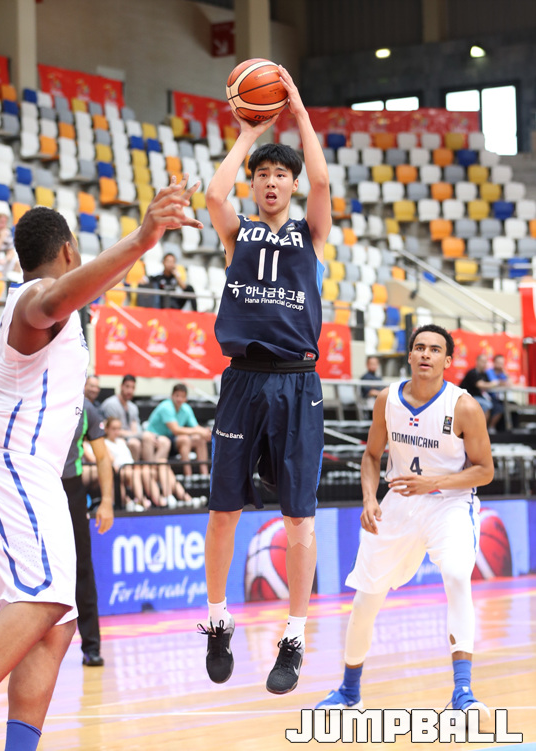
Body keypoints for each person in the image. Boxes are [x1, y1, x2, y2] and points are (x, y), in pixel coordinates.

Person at [0, 178, 202, 751]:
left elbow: (89, 287)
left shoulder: (53, 303)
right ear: (67, 250)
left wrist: (142, 244)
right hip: (16, 468)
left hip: (34, 475)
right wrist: (142, 237)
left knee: (57, 624)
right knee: (43, 600)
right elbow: (56, 299)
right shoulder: (34, 299)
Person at [199, 65, 331, 696]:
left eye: (282, 174)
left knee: (299, 519)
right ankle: (218, 620)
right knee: (223, 511)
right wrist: (249, 133)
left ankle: (294, 637)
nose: (272, 181)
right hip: (243, 380)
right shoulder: (239, 232)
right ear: (254, 184)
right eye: (263, 174)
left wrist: (298, 113)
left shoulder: (311, 233)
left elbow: (323, 180)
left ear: (293, 185)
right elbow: (212, 196)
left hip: (299, 384)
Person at [316, 324, 494, 725]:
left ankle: (462, 692)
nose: (426, 354)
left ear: (448, 361)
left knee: (456, 576)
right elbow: (371, 456)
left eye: (435, 349)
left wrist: (435, 482)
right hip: (398, 502)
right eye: (420, 348)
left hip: (449, 503)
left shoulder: (464, 406)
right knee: (365, 599)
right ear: (410, 356)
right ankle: (349, 692)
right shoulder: (388, 399)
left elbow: (485, 470)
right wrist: (368, 498)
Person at [62, 396, 113, 667]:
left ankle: (91, 647)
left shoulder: (86, 408)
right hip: (32, 485)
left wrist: (107, 501)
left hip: (71, 488)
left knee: (82, 566)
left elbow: (103, 457)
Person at [146, 383, 211, 477]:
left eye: (182, 396)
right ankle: (188, 476)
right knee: (185, 439)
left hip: (172, 440)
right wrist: (199, 431)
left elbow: (196, 427)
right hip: (158, 439)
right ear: (172, 396)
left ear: (186, 399)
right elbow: (176, 430)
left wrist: (206, 433)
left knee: (199, 439)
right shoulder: (166, 407)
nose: (179, 399)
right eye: (177, 396)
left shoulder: (186, 408)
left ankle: (205, 476)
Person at [459, 353, 504, 430]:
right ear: (477, 361)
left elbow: (489, 384)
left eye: (485, 362)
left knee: (496, 405)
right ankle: (481, 429)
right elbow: (480, 384)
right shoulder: (472, 372)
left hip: (480, 397)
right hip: (467, 397)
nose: (484, 364)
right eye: (482, 361)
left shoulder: (483, 374)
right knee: (487, 405)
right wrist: (494, 383)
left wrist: (500, 380)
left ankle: (487, 428)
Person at [485, 354, 512, 431]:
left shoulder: (502, 373)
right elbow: (494, 383)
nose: (500, 365)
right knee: (498, 408)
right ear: (494, 362)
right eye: (499, 362)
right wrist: (501, 382)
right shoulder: (489, 372)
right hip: (488, 396)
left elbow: (510, 384)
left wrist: (505, 373)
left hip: (499, 397)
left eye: (502, 363)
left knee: (511, 404)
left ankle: (504, 429)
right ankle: (490, 427)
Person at [0, 213, 18, 280]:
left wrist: (5, 260)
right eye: (1, 222)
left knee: (16, 262)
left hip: (2, 260)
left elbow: (11, 251)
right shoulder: (3, 235)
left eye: (5, 223)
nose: (3, 225)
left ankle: (13, 284)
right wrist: (1, 238)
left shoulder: (7, 233)